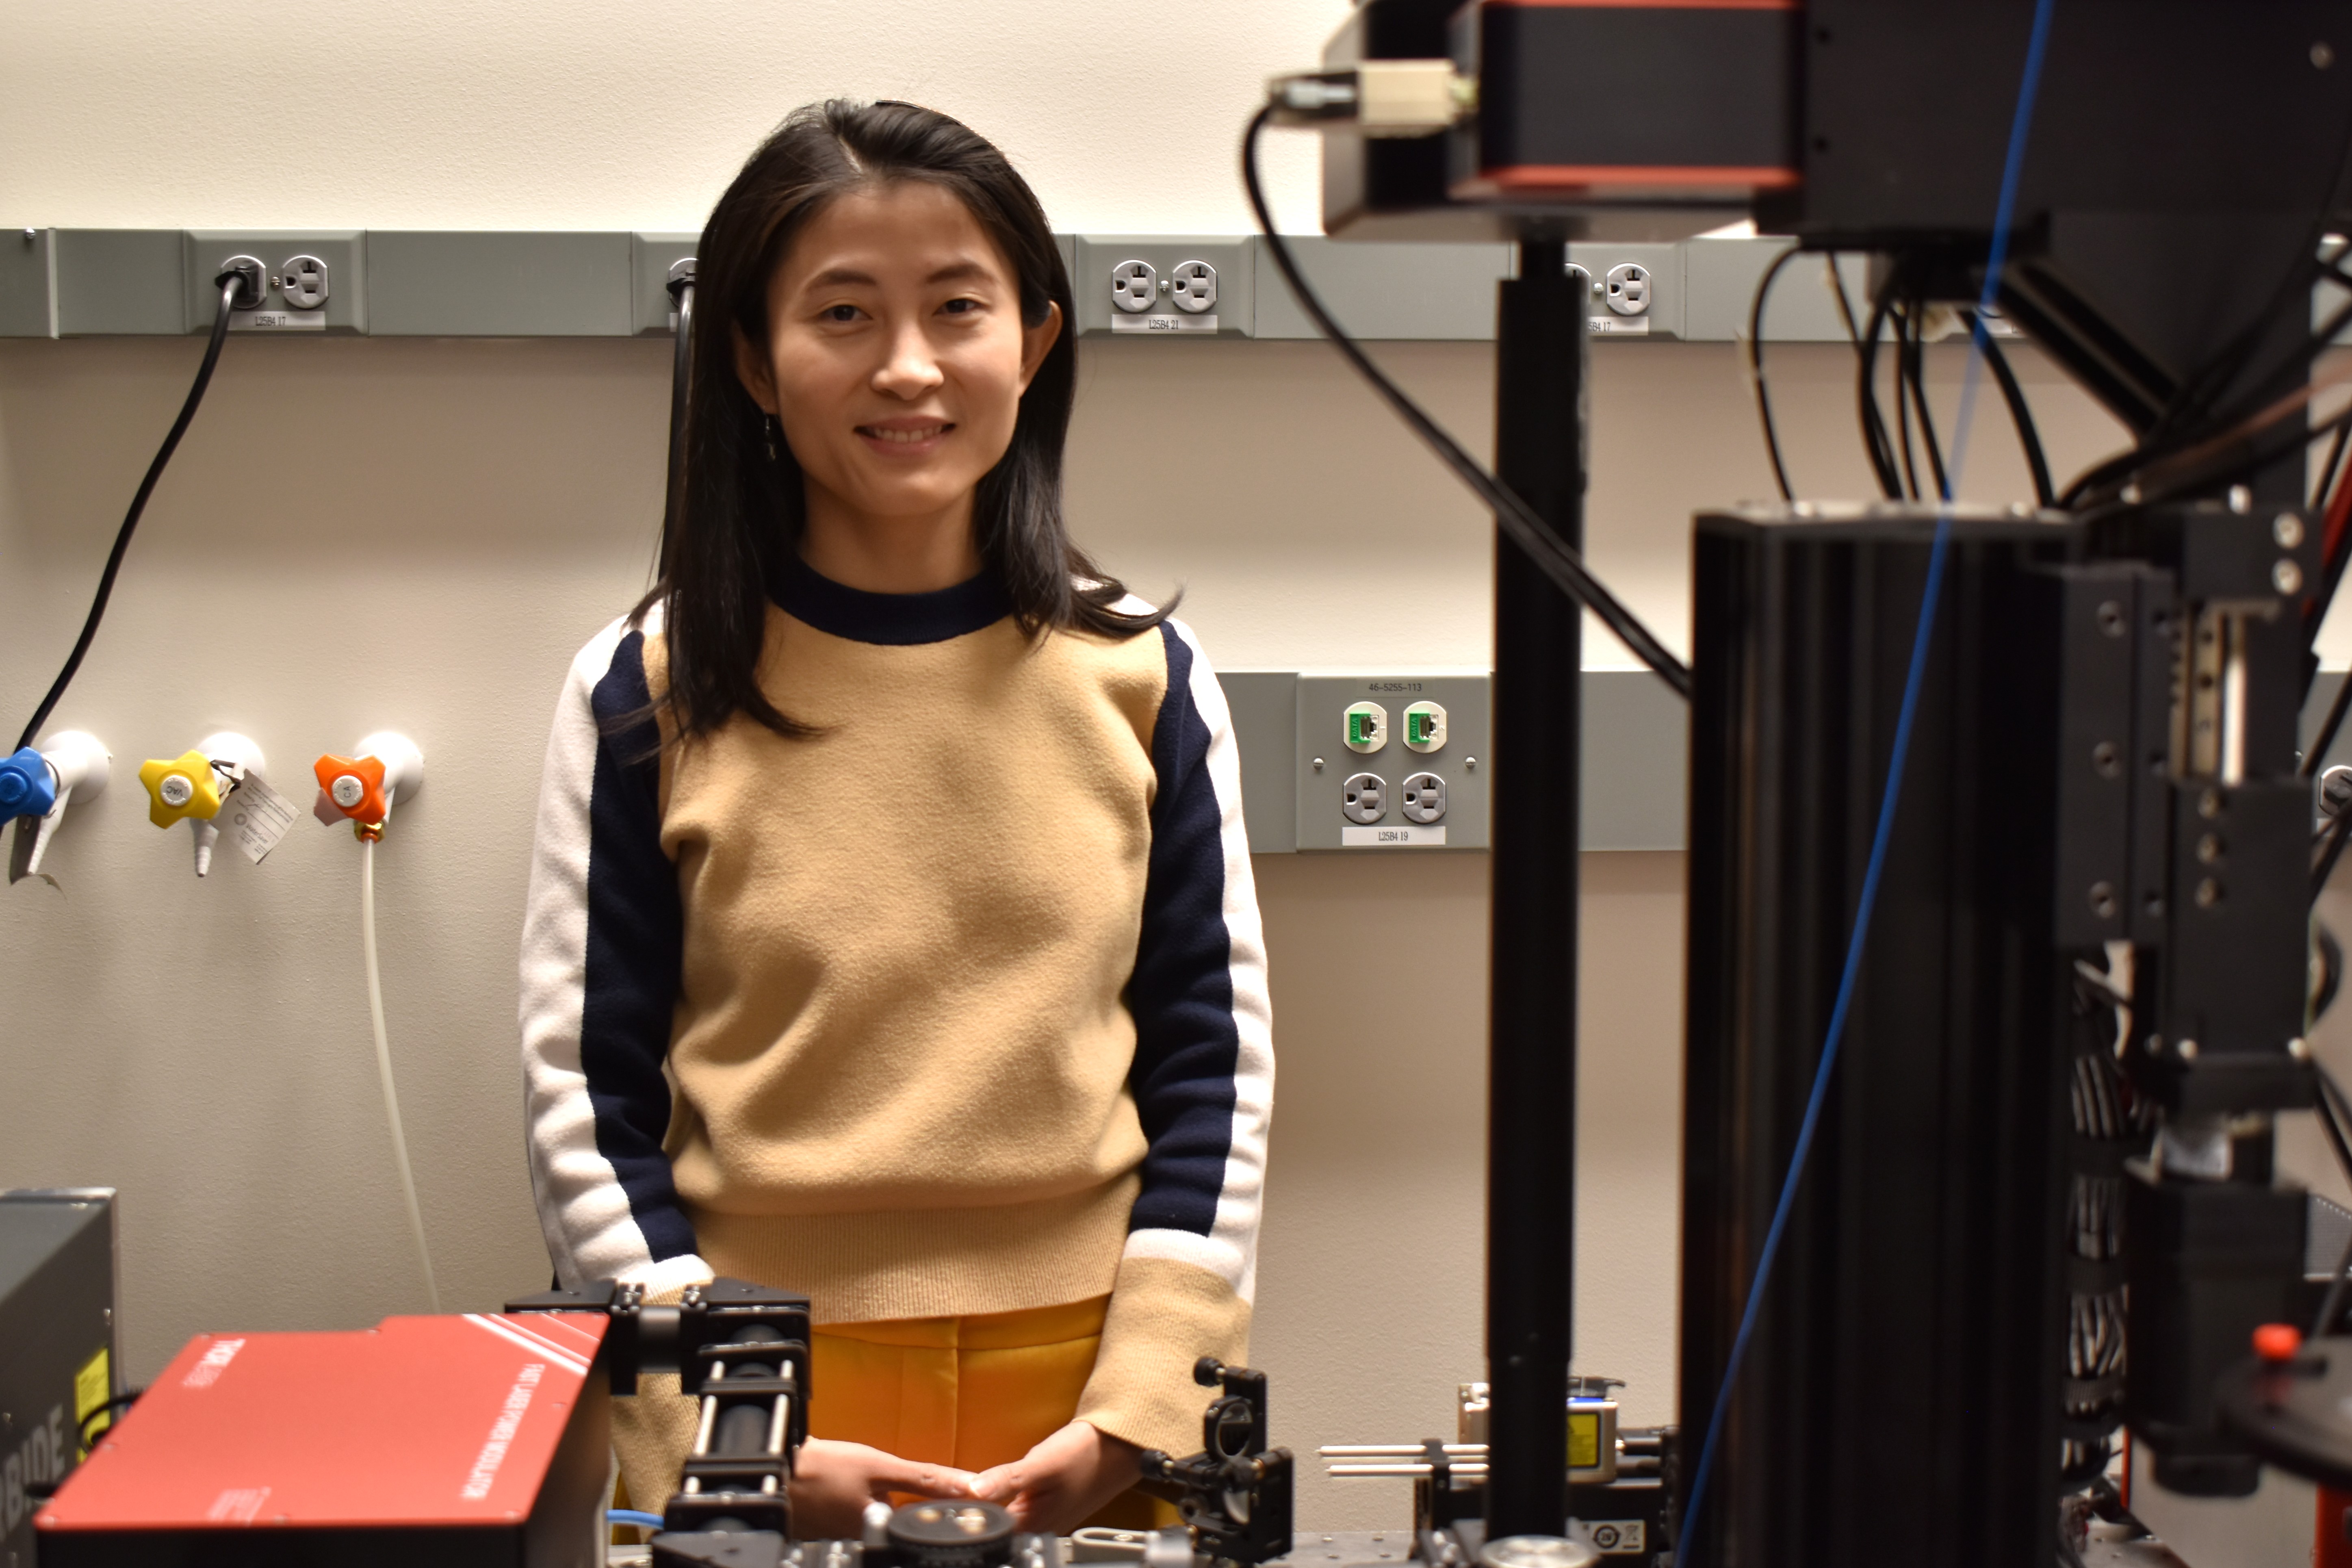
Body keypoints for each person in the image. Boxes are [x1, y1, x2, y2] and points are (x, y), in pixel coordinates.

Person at [517, 100, 1273, 1538]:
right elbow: (584, 1098)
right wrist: (714, 1429)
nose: (909, 365)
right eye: (844, 312)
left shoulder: (1145, 679)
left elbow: (1212, 1074)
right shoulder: (648, 688)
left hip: (1090, 1388)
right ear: (752, 358)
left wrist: (1144, 1410)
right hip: (761, 1381)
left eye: (957, 307)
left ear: (1036, 343)